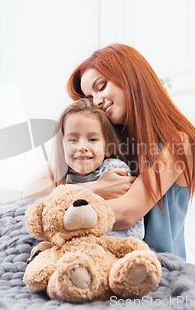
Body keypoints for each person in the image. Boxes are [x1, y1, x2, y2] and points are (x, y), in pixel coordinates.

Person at [26, 44, 195, 260]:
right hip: (101, 261)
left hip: (154, 269)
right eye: (90, 97)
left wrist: (59, 207)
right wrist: (95, 187)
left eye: (101, 87)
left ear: (131, 78)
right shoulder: (105, 141)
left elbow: (126, 213)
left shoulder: (178, 143)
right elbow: (31, 193)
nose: (97, 102)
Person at [25, 98, 145, 239]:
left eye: (92, 140)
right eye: (73, 140)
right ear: (62, 147)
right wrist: (95, 187)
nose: (82, 147)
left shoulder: (113, 170)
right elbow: (29, 195)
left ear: (108, 148)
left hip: (111, 244)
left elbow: (126, 223)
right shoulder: (64, 173)